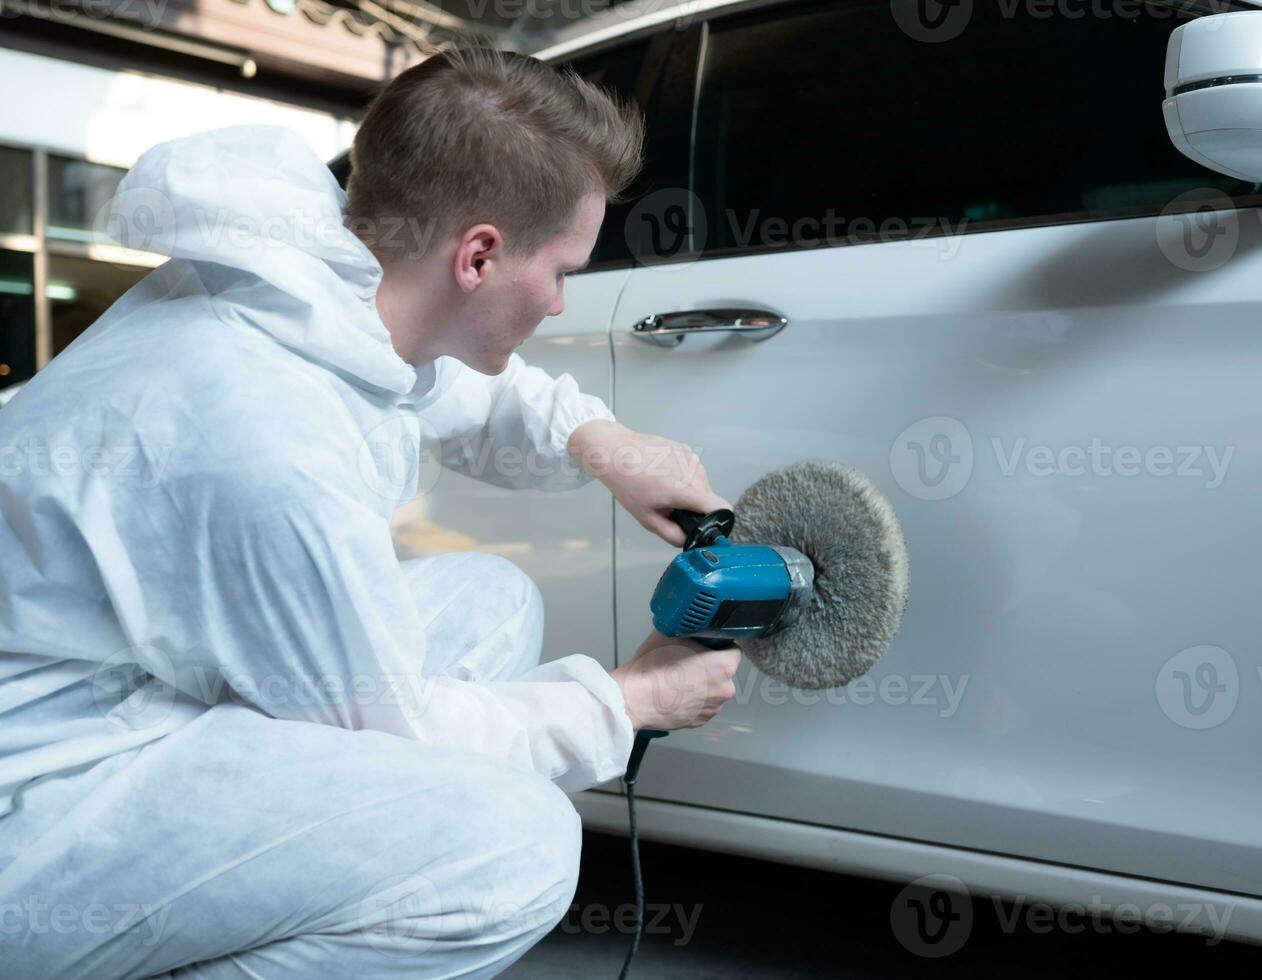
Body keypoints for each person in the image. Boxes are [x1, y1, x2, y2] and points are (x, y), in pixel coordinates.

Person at [0, 46, 741, 978]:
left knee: (489, 598)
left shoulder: (305, 285)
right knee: (515, 848)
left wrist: (603, 443)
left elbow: (437, 390)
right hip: (37, 802)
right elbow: (396, 734)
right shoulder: (267, 435)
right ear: (477, 254)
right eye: (559, 272)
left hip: (125, 700)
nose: (558, 303)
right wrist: (628, 702)